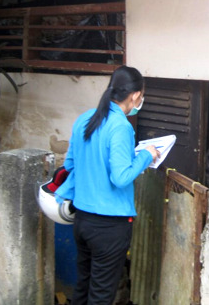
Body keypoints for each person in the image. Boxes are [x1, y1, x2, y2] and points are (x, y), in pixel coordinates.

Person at [55, 65, 159, 305]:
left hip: (82, 221)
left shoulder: (84, 119)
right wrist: (146, 155)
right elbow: (120, 177)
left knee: (83, 288)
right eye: (141, 95)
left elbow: (70, 164)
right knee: (101, 296)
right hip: (109, 227)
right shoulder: (121, 126)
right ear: (135, 95)